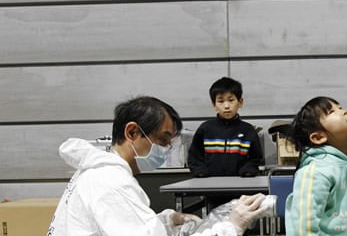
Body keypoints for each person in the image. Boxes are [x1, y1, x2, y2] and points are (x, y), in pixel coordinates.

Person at [47, 96, 268, 236]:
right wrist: (230, 227)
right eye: (162, 140)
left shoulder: (97, 171)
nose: (165, 149)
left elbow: (123, 225)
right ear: (132, 133)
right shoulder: (110, 182)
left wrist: (167, 221)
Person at [285, 96, 347, 236]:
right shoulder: (316, 171)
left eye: (340, 107)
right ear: (318, 137)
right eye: (331, 112)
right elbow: (303, 223)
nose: (343, 111)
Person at [188, 77, 264, 178]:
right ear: (214, 105)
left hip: (241, 185)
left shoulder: (248, 130)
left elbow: (256, 158)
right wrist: (200, 171)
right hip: (209, 185)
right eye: (221, 101)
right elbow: (194, 156)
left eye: (231, 100)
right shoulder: (205, 129)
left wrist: (248, 170)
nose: (226, 106)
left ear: (240, 102)